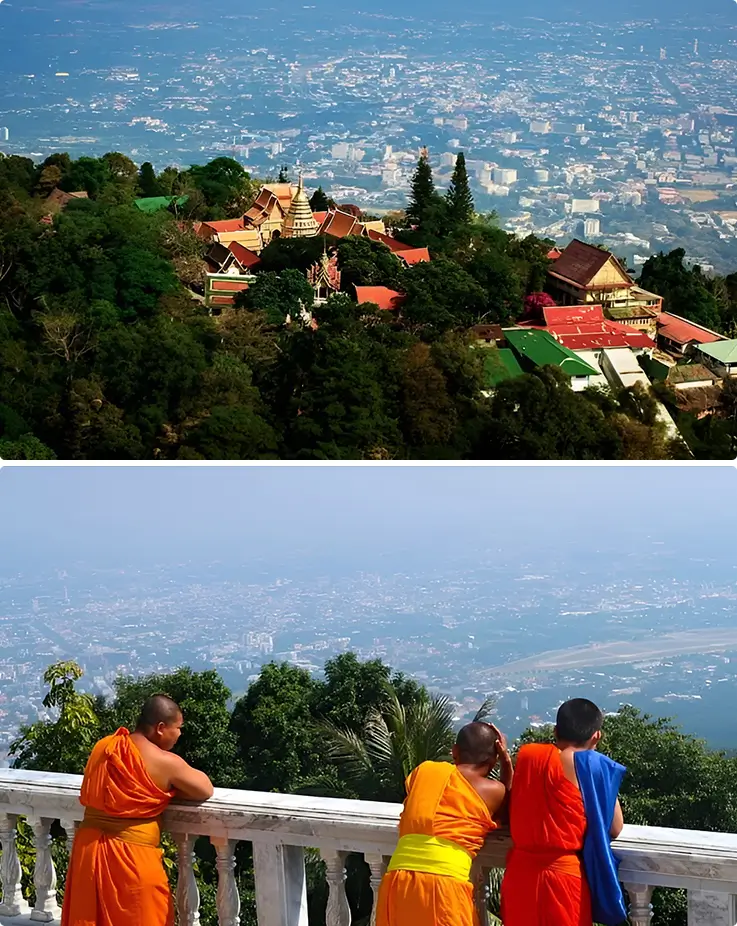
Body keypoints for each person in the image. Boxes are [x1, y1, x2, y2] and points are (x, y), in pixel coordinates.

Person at [61, 694, 214, 926]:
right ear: (161, 728)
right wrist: (169, 789)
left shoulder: (104, 747)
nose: (180, 734)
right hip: (132, 863)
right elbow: (205, 789)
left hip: (88, 858)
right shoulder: (165, 761)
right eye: (178, 728)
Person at [500, 698, 625, 926]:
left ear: (556, 731)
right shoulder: (593, 765)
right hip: (563, 877)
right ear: (597, 736)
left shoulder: (528, 756)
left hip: (520, 875)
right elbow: (615, 827)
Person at [375, 721, 513, 926]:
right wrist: (507, 764)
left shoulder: (424, 771)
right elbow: (509, 812)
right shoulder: (493, 791)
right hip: (445, 886)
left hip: (398, 881)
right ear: (493, 759)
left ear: (455, 750)